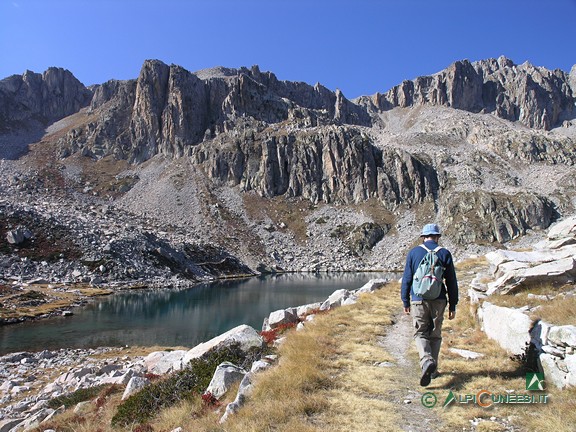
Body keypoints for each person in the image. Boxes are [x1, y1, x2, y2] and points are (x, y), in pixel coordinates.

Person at [400, 223, 458, 387]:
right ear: (438, 237)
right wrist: (453, 304)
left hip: (418, 298)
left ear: (424, 237)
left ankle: (426, 360)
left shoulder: (414, 252)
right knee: (435, 333)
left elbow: (407, 279)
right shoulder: (445, 253)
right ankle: (433, 370)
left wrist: (405, 300)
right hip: (439, 299)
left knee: (420, 332)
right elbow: (452, 281)